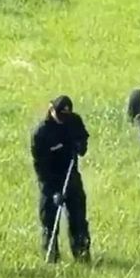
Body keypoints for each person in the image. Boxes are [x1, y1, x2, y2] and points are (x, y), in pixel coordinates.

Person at [30, 95, 91, 263]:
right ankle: (51, 257)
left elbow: (83, 137)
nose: (63, 119)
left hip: (71, 175)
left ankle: (82, 253)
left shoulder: (73, 121)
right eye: (60, 115)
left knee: (78, 219)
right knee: (49, 222)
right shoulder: (41, 133)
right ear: (51, 110)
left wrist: (81, 146)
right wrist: (54, 191)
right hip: (49, 180)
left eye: (66, 116)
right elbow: (40, 166)